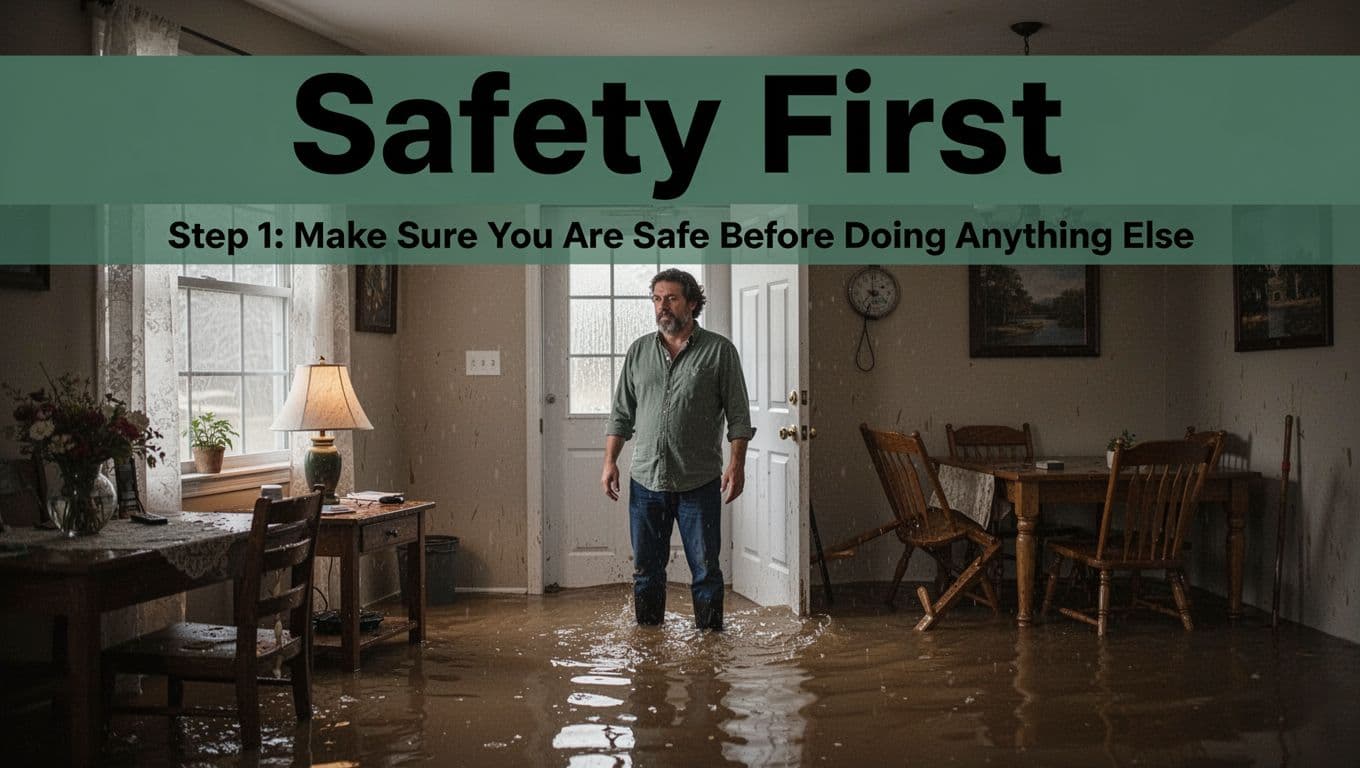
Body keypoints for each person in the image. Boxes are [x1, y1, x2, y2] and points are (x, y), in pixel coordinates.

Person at [601, 268, 754, 630]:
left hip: (698, 482)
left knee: (705, 570)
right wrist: (609, 461)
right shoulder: (639, 351)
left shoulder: (719, 351)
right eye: (656, 299)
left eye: (670, 298)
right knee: (646, 571)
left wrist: (737, 464)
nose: (662, 307)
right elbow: (621, 413)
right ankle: (650, 646)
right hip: (646, 482)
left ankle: (711, 649)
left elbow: (738, 416)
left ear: (692, 303)